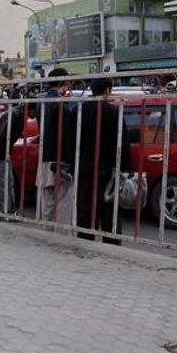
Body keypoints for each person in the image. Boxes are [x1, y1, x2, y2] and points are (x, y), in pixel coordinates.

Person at [72, 78, 132, 244]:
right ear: (107, 91)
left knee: (85, 211)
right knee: (109, 211)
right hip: (108, 171)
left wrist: (71, 165)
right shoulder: (112, 112)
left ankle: (85, 241)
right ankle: (111, 245)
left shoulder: (78, 110)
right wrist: (126, 167)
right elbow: (122, 143)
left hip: (84, 169)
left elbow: (70, 140)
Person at [0, 98, 37, 218]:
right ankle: (6, 212)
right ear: (30, 109)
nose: (35, 116)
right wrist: (5, 153)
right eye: (35, 112)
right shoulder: (16, 116)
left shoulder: (17, 114)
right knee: (3, 182)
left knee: (8, 181)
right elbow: (3, 136)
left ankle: (10, 210)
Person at [38, 68, 76, 226]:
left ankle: (46, 232)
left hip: (45, 156)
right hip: (59, 159)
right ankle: (60, 235)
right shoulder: (61, 105)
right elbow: (66, 136)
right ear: (63, 82)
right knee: (62, 201)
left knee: (47, 201)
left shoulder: (42, 102)